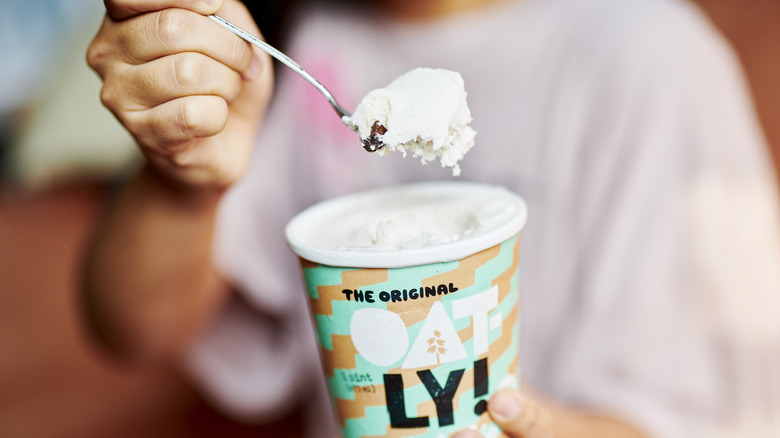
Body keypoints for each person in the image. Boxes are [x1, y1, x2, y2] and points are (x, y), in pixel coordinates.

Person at [83, 0, 780, 437]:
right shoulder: (301, 43)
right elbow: (132, 328)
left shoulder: (648, 56)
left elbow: (717, 409)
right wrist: (182, 181)